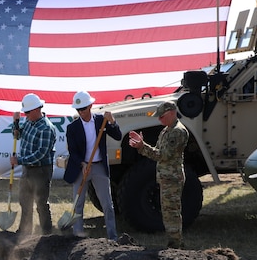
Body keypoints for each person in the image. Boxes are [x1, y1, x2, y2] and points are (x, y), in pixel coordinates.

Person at [129, 101, 190, 248]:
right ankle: (174, 243)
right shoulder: (167, 130)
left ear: (171, 113)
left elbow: (163, 155)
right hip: (166, 177)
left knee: (172, 212)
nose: (159, 120)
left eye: (161, 117)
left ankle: (176, 244)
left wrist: (143, 147)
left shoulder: (177, 131)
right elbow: (158, 152)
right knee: (168, 211)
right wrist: (142, 147)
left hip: (172, 178)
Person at [64, 91, 122, 239]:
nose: (81, 112)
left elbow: (118, 135)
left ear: (90, 106)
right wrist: (82, 164)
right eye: (78, 109)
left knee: (107, 204)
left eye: (83, 108)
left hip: (99, 167)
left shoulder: (100, 121)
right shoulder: (72, 128)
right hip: (81, 168)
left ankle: (112, 236)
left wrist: (112, 122)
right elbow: (73, 151)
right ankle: (78, 236)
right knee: (78, 204)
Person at [10, 93, 57, 236]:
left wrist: (20, 161)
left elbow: (40, 155)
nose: (26, 114)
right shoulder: (29, 122)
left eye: (27, 112)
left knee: (41, 203)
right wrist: (16, 124)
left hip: (41, 170)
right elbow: (17, 135)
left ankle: (47, 234)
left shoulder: (46, 128)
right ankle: (25, 232)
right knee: (25, 201)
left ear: (37, 109)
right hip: (28, 169)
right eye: (25, 112)